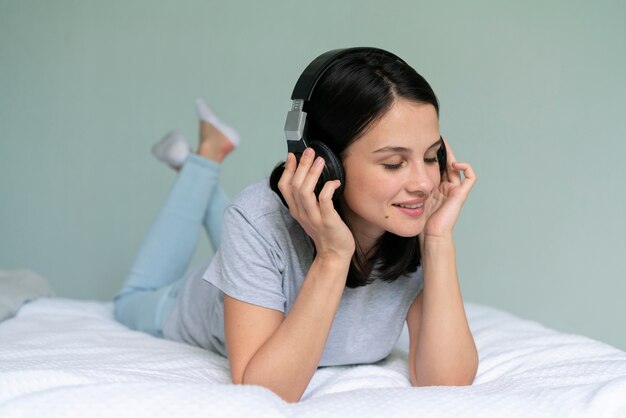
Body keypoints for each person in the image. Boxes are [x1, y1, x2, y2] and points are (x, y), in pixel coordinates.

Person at [114, 48, 478, 403]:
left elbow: (445, 382)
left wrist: (438, 240)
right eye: (394, 163)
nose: (425, 183)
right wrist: (333, 257)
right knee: (129, 300)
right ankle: (202, 161)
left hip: (261, 235)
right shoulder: (257, 217)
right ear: (325, 162)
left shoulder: (408, 220)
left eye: (431, 157)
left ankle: (196, 164)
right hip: (185, 303)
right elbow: (264, 391)